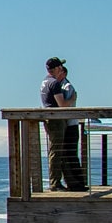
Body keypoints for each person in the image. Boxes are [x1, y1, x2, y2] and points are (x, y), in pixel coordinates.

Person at [40, 56, 81, 190]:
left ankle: (58, 181)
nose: (61, 69)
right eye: (60, 67)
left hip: (50, 119)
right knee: (57, 151)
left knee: (56, 151)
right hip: (56, 120)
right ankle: (55, 183)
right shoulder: (55, 83)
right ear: (57, 69)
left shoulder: (45, 82)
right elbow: (62, 105)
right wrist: (73, 99)